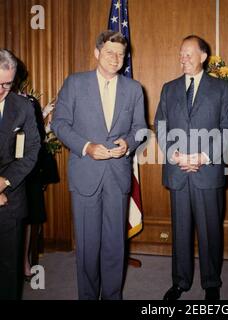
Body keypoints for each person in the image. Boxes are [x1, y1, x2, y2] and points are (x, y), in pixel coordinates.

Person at [51, 30, 146, 300]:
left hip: (117, 177)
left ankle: (113, 296)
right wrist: (87, 147)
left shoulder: (134, 89)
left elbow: (140, 129)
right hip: (85, 176)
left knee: (115, 244)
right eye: (109, 52)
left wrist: (128, 143)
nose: (116, 58)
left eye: (121, 54)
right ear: (96, 53)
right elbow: (59, 124)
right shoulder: (75, 83)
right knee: (87, 246)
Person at [154, 35, 228, 300]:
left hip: (206, 171)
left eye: (189, 54)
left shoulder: (221, 88)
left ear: (203, 57)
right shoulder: (169, 88)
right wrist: (175, 155)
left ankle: (211, 283)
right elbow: (160, 125)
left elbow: (227, 128)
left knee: (211, 231)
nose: (183, 59)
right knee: (180, 231)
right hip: (178, 171)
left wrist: (203, 156)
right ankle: (180, 282)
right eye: (181, 54)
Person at [0, 49, 40, 299]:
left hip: (10, 198)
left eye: (7, 84)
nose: (2, 90)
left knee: (8, 270)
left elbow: (32, 149)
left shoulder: (23, 107)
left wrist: (4, 182)